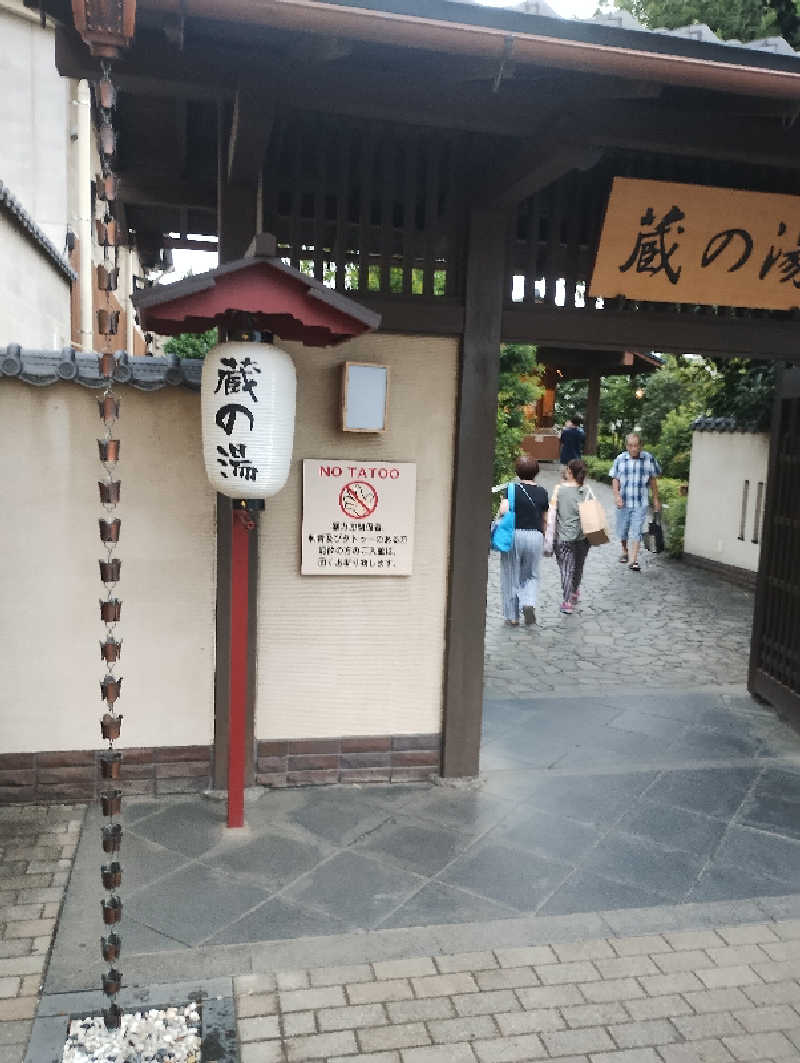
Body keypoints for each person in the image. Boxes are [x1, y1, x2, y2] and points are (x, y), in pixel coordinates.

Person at [496, 455, 549, 626]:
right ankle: (529, 602)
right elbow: (545, 519)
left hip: (514, 535)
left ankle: (512, 617)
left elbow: (504, 511)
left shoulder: (512, 489)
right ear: (536, 472)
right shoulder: (542, 492)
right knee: (531, 574)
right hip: (536, 536)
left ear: (517, 472)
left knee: (511, 575)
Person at [610, 432, 661, 573]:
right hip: (624, 502)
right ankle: (625, 550)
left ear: (641, 446)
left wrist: (656, 498)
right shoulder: (620, 459)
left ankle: (633, 560)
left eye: (636, 446)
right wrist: (617, 495)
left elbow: (653, 479)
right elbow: (615, 478)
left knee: (636, 531)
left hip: (640, 502)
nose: (634, 449)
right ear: (627, 446)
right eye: (631, 446)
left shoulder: (648, 458)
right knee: (623, 530)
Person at [550, 458, 591, 615]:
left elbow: (552, 511)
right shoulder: (587, 490)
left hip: (564, 536)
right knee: (578, 566)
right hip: (582, 536)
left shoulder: (559, 489)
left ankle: (567, 602)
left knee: (566, 569)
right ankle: (574, 591)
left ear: (569, 471)